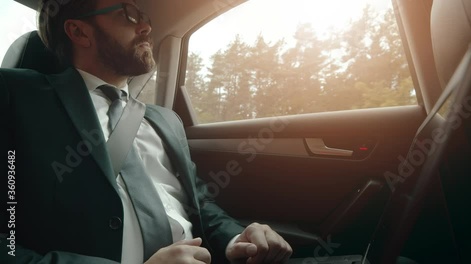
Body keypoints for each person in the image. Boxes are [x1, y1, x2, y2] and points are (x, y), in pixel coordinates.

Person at [0, 0, 292, 263]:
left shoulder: (166, 120)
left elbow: (199, 203)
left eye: (142, 14)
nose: (146, 26)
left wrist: (234, 239)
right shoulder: (17, 96)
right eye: (127, 14)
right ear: (79, 32)